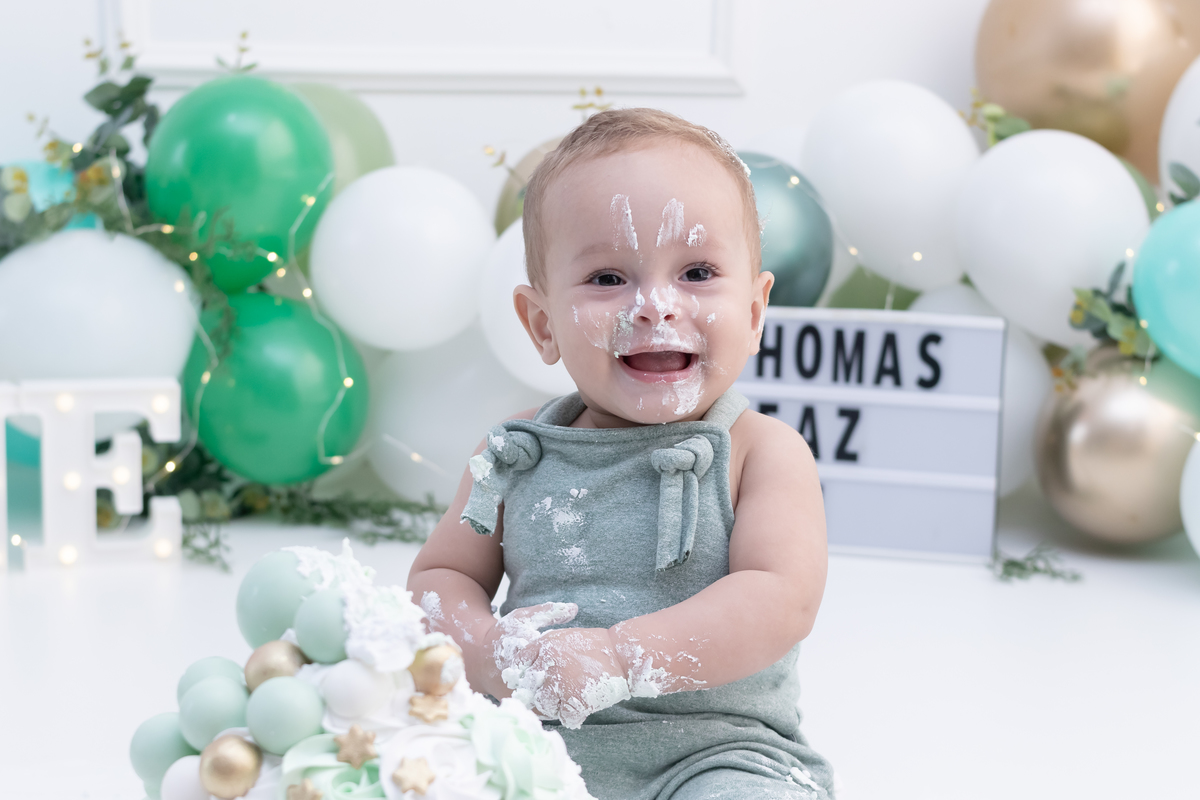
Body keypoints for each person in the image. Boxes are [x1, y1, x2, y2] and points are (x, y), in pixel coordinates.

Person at [408, 108, 834, 800]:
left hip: (719, 754)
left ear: (755, 313)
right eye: (608, 279)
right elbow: (438, 578)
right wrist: (487, 655)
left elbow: (779, 599)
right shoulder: (515, 452)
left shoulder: (761, 453)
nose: (655, 305)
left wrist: (622, 657)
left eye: (696, 271)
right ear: (541, 324)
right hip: (527, 750)